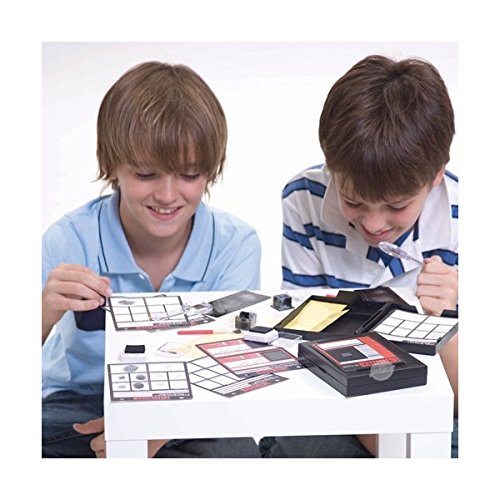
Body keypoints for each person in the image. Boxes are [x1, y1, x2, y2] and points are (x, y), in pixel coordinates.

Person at [42, 61, 262, 458]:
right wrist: (43, 313)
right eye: (146, 174)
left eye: (189, 175)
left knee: (236, 452)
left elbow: (230, 371)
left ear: (210, 172)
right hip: (80, 400)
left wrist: (148, 431)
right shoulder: (68, 238)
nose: (167, 195)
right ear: (111, 166)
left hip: (190, 404)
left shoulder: (236, 245)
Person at [260, 55, 458, 458]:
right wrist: (388, 445)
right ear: (331, 167)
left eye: (397, 206)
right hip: (338, 404)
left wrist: (450, 317)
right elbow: (299, 345)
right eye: (352, 200)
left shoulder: (464, 216)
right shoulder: (304, 198)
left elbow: (463, 402)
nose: (373, 224)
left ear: (436, 174)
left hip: (438, 408)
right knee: (298, 442)